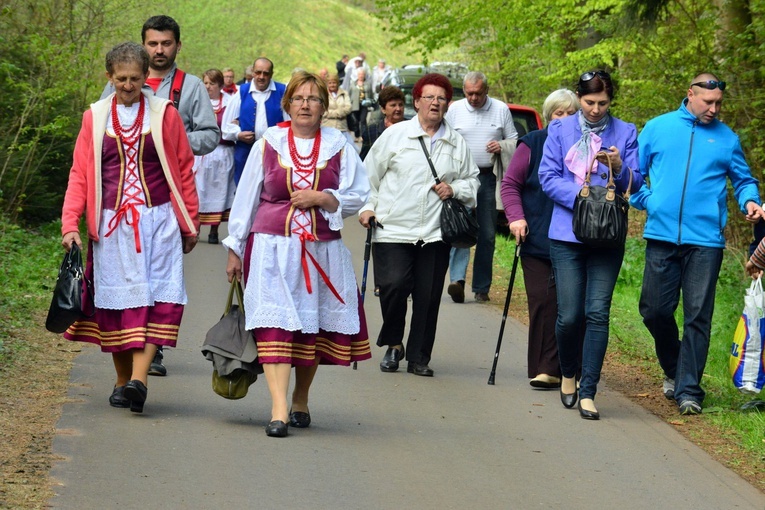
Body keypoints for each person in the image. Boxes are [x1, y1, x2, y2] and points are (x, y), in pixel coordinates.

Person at [223, 71, 371, 437]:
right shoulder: (269, 143)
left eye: (314, 99)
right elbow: (245, 199)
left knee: (311, 326)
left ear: (324, 107)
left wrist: (324, 198)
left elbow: (358, 192)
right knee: (275, 325)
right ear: (287, 104)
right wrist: (235, 248)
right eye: (299, 98)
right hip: (272, 248)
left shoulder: (338, 145)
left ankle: (300, 398)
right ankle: (278, 408)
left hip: (322, 250)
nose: (306, 104)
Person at [60, 42, 199, 413]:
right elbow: (80, 174)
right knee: (118, 304)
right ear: (109, 77)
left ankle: (139, 379)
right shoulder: (95, 117)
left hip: (159, 221)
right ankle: (124, 382)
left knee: (157, 298)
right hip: (111, 225)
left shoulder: (164, 114)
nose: (127, 85)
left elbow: (184, 169)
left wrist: (190, 221)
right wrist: (69, 223)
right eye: (120, 79)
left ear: (145, 78)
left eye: (135, 79)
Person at [631, 73, 764, 416]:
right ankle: (675, 367)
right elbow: (632, 172)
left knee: (697, 316)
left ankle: (689, 390)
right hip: (661, 235)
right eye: (708, 102)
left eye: (719, 103)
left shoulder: (726, 138)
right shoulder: (658, 128)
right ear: (690, 95)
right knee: (654, 310)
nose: (714, 109)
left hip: (706, 241)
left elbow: (743, 180)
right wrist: (649, 200)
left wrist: (750, 201)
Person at [101, 14, 218, 377]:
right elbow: (100, 133)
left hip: (168, 201)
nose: (159, 50)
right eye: (152, 43)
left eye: (166, 43)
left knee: (158, 279)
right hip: (123, 204)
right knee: (127, 280)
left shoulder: (191, 86)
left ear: (177, 46)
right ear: (142, 45)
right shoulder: (119, 83)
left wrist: (172, 140)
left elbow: (210, 135)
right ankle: (138, 356)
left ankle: (150, 349)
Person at [538, 70, 643, 420]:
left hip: (608, 236)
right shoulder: (560, 129)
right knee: (570, 316)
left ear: (611, 101)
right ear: (579, 99)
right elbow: (548, 178)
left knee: (597, 312)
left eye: (603, 103)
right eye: (589, 102)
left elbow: (635, 182)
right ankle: (569, 372)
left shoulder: (626, 132)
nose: (596, 110)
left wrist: (619, 165)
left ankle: (588, 391)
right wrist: (584, 197)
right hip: (568, 232)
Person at [360, 73, 479, 377]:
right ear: (417, 102)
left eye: (442, 98)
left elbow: (472, 182)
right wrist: (368, 207)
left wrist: (455, 190)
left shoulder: (456, 143)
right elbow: (368, 175)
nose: (436, 103)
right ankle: (394, 343)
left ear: (448, 105)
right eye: (430, 97)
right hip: (393, 228)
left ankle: (419, 357)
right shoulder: (396, 136)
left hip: (436, 232)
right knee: (393, 286)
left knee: (427, 298)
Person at [501, 89, 579, 389]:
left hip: (576, 239)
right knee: (543, 301)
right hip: (537, 237)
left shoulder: (587, 147)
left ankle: (570, 367)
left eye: (571, 113)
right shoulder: (532, 143)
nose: (565, 119)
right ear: (548, 118)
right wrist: (516, 217)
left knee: (570, 306)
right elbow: (510, 184)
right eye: (558, 113)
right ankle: (546, 367)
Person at [445, 72, 517, 303]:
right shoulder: (455, 109)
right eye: (469, 93)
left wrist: (502, 146)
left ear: (486, 90)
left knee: (487, 234)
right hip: (462, 178)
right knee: (460, 228)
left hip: (488, 178)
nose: (473, 98)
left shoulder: (500, 109)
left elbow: (516, 142)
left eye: (478, 93)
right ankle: (457, 281)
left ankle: (481, 287)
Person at [222, 57, 289, 185]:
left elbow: (290, 123)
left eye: (266, 73)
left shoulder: (282, 91)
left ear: (271, 74)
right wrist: (238, 134)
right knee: (244, 186)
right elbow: (226, 125)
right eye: (258, 72)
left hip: (275, 153)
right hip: (245, 152)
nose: (261, 76)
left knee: (272, 187)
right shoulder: (242, 92)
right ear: (253, 72)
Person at [194, 69, 236, 245]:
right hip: (203, 153)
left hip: (223, 153)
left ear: (220, 85)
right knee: (198, 190)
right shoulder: (198, 101)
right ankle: (194, 230)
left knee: (220, 190)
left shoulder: (230, 102)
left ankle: (214, 230)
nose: (208, 86)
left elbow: (233, 126)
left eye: (212, 83)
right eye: (205, 83)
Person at [360, 85, 405, 159]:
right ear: (383, 109)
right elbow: (364, 161)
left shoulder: (411, 128)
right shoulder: (371, 131)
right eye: (393, 105)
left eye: (401, 105)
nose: (398, 109)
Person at [321, 73, 354, 146]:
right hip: (327, 126)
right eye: (330, 83)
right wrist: (338, 113)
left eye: (334, 82)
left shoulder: (344, 93)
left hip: (341, 127)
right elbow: (322, 109)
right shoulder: (323, 94)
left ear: (337, 83)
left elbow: (348, 108)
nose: (332, 85)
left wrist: (332, 113)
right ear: (327, 84)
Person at [349, 68, 373, 142]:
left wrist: (370, 102)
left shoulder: (368, 83)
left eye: (362, 74)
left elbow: (371, 94)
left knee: (363, 120)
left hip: (364, 104)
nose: (361, 76)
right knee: (355, 121)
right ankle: (357, 136)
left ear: (364, 75)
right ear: (357, 75)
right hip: (355, 104)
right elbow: (350, 94)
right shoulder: (353, 83)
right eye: (359, 74)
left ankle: (363, 136)